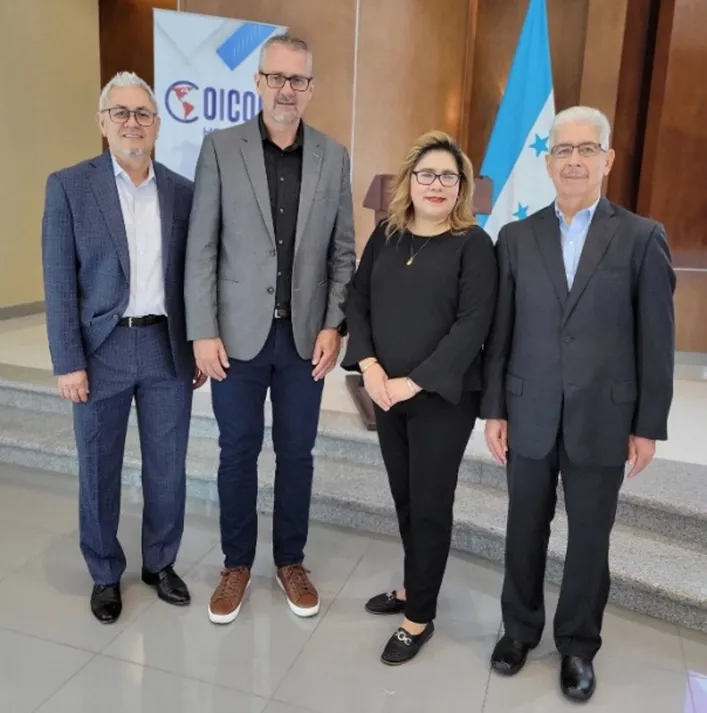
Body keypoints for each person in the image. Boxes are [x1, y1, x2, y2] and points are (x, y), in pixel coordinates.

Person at [481, 106, 675, 701]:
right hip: (529, 410)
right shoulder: (516, 238)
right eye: (562, 149)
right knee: (524, 528)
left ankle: (577, 645)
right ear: (547, 161)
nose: (573, 160)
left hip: (603, 416)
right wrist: (495, 409)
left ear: (606, 159)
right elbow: (501, 332)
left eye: (586, 149)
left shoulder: (641, 237)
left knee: (590, 537)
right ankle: (519, 630)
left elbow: (656, 341)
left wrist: (647, 424)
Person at [185, 33, 355, 624]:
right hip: (235, 337)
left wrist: (334, 325)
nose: (287, 89)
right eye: (277, 77)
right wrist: (202, 330)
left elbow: (343, 252)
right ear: (258, 82)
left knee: (297, 452)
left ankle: (290, 561)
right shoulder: (220, 148)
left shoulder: (334, 156)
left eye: (298, 79)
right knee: (237, 450)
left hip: (305, 339)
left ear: (311, 87)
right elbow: (201, 247)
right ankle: (236, 564)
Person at [41, 72, 206, 624]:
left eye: (143, 114)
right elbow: (59, 281)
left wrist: (196, 343)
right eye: (121, 113)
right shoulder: (69, 186)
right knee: (98, 467)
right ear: (102, 122)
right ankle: (105, 572)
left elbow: (195, 276)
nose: (132, 123)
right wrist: (68, 360)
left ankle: (160, 564)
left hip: (165, 346)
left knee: (167, 466)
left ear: (157, 125)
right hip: (101, 349)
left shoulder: (182, 191)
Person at [342, 131, 498, 665]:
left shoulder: (474, 245)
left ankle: (419, 617)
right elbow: (357, 299)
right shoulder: (388, 235)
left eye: (448, 176)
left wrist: (412, 382)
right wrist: (369, 367)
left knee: (430, 505)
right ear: (410, 180)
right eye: (427, 174)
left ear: (462, 187)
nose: (437, 184)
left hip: (440, 399)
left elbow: (472, 326)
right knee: (405, 497)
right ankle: (414, 584)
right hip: (386, 392)